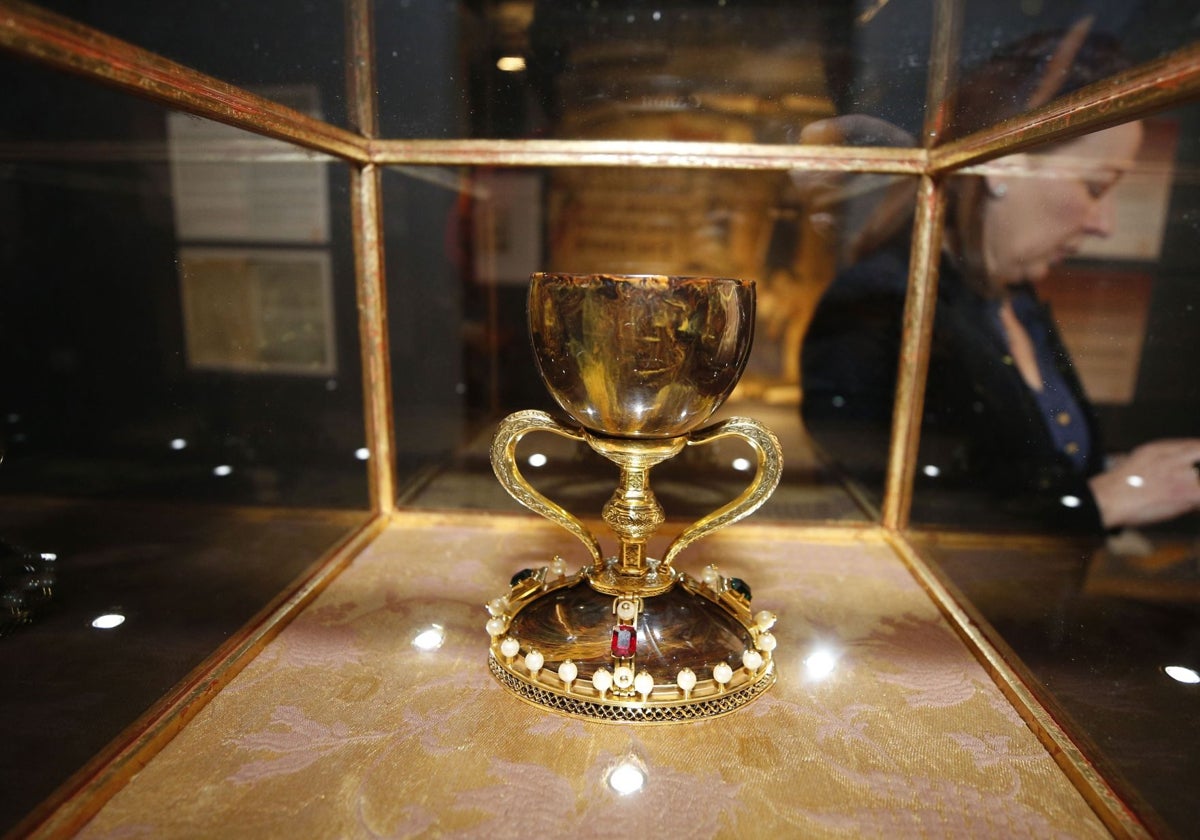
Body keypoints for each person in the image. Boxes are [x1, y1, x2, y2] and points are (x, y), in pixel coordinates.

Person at [800, 24, 1200, 533]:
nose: (1106, 224)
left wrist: (1127, 476)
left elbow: (1010, 476)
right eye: (1096, 186)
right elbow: (886, 520)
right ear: (1003, 164)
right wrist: (1101, 502)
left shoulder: (1013, 299)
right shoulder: (878, 306)